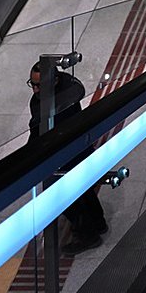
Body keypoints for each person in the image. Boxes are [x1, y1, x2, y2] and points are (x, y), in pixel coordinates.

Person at [27, 63, 107, 254]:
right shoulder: (66, 90)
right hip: (77, 151)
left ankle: (88, 234)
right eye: (33, 84)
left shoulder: (60, 103)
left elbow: (40, 133)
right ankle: (98, 222)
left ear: (54, 81)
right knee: (84, 190)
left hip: (65, 156)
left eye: (39, 85)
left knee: (61, 196)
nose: (35, 90)